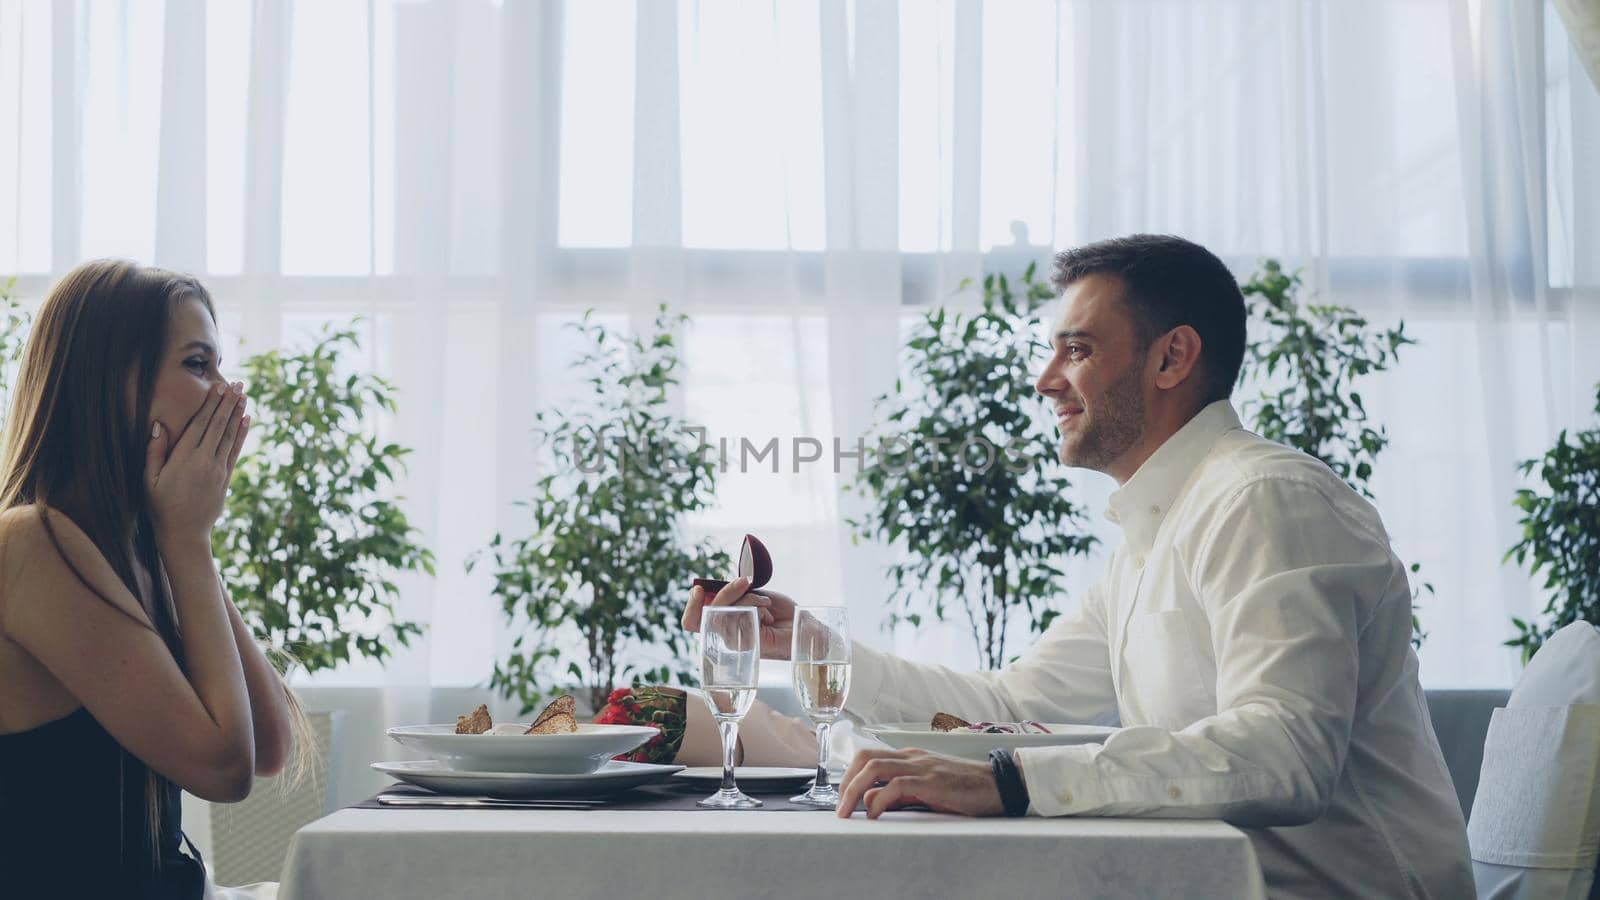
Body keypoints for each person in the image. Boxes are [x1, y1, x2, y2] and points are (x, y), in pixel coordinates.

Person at [684, 235, 1475, 898]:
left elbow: (1285, 753)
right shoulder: (1157, 531)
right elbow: (1009, 702)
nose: (1045, 380)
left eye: (1078, 349)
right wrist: (813, 643)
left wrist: (1015, 780)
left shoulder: (1265, 500)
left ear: (1173, 358)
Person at [0, 260, 299, 898]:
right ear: (114, 384)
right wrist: (188, 540)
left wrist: (186, 540)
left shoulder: (138, 546)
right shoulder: (30, 542)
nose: (229, 392)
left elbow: (271, 746)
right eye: (198, 364)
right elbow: (225, 769)